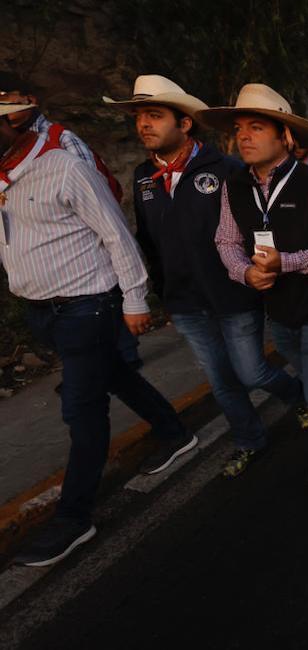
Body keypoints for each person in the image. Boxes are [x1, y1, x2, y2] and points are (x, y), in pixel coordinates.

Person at [0, 101, 194, 567]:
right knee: (114, 375)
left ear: (12, 121)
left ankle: (74, 516)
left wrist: (133, 301)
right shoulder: (4, 178)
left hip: (86, 305)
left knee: (82, 408)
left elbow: (115, 234)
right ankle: (174, 431)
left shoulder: (64, 167)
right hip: (41, 311)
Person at [105, 74, 308, 478]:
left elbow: (257, 222)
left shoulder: (226, 168)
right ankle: (250, 440)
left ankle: (301, 396)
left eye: (154, 115)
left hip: (232, 294)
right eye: (139, 117)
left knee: (251, 371)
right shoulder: (144, 177)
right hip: (184, 302)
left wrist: (261, 268)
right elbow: (147, 239)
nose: (143, 124)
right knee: (222, 381)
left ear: (184, 123)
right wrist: (159, 289)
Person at [205, 84, 308, 492]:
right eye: (240, 128)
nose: (244, 136)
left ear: (285, 137)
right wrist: (244, 273)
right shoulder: (234, 186)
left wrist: (286, 263)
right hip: (279, 312)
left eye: (256, 127)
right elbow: (225, 240)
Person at [3, 85, 141, 370]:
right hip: (53, 300)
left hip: (87, 288)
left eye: (10, 102)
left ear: (31, 100)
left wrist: (134, 298)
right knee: (114, 374)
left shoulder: (60, 141)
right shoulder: (9, 160)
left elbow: (95, 196)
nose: (10, 111)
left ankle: (119, 358)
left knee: (87, 394)